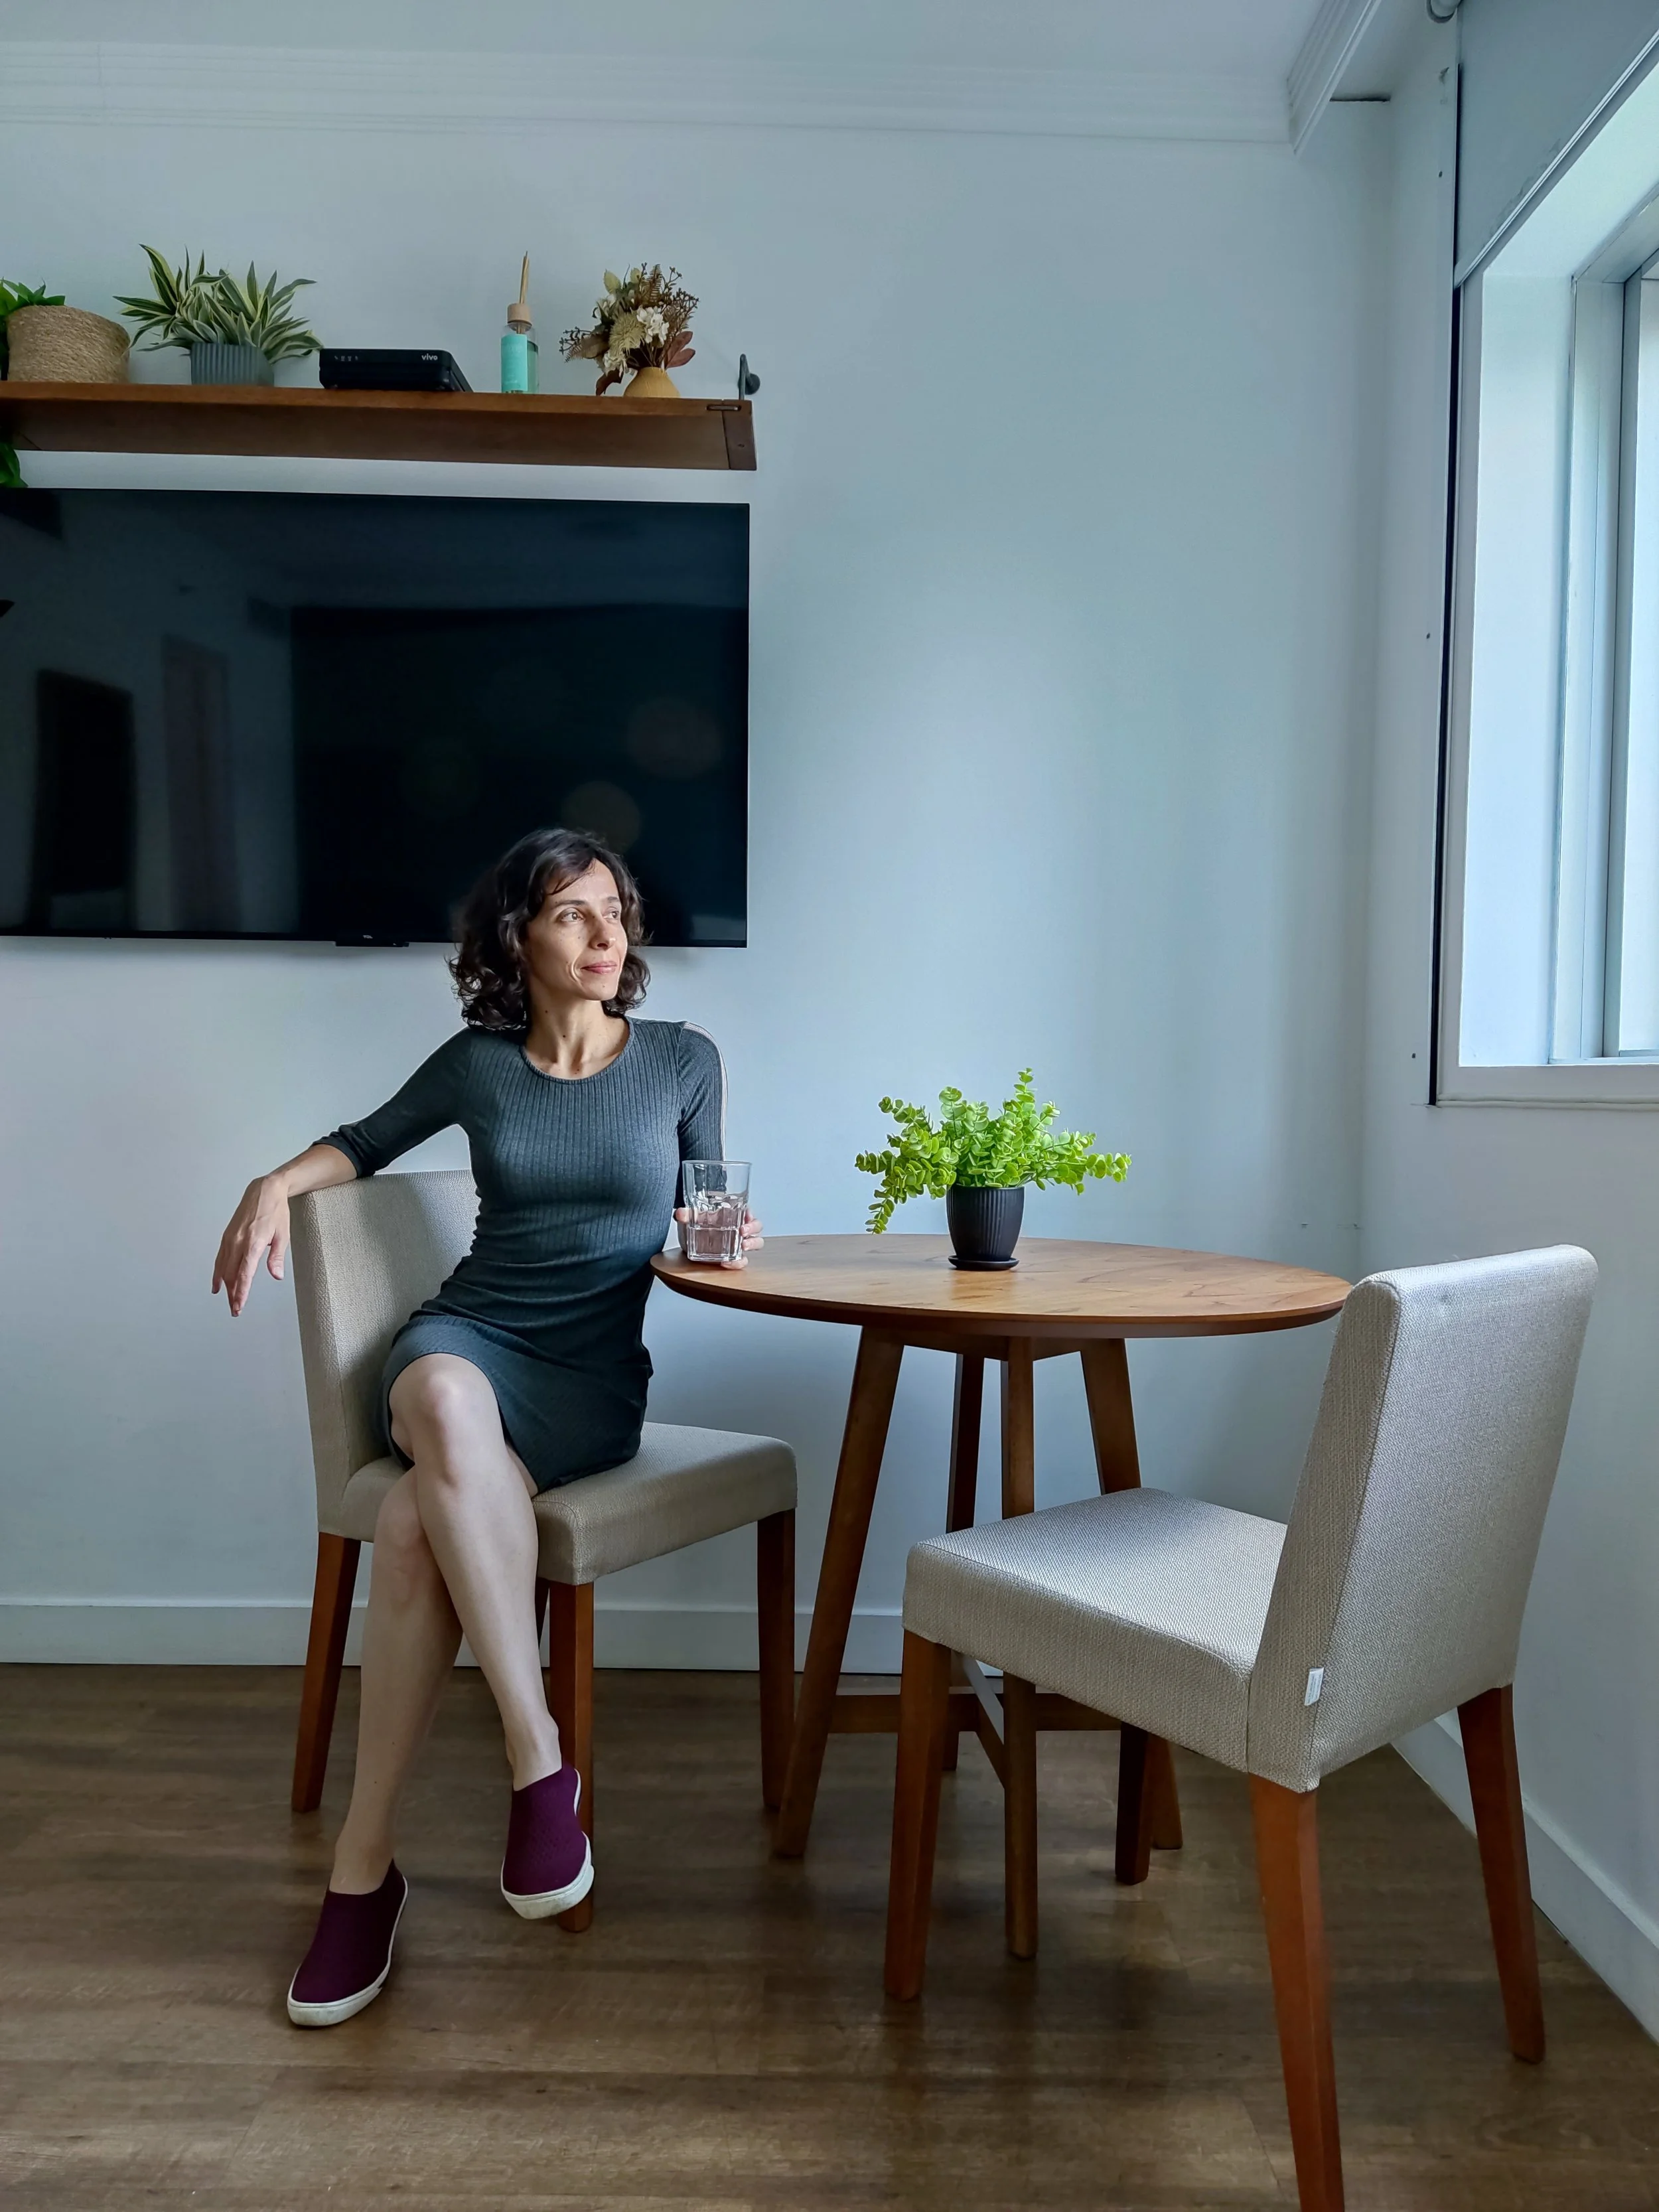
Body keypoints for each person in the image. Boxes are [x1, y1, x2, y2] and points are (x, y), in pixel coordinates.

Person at [212, 828, 760, 2028]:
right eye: (574, 914)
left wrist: (725, 1232)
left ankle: (365, 1872)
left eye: (616, 911)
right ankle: (535, 1756)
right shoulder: (478, 1065)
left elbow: (709, 1209)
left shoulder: (681, 1059)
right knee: (445, 1397)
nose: (607, 936)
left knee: (412, 1525)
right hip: (467, 1339)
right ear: (518, 936)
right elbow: (359, 1147)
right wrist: (268, 1184)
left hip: (589, 1383)